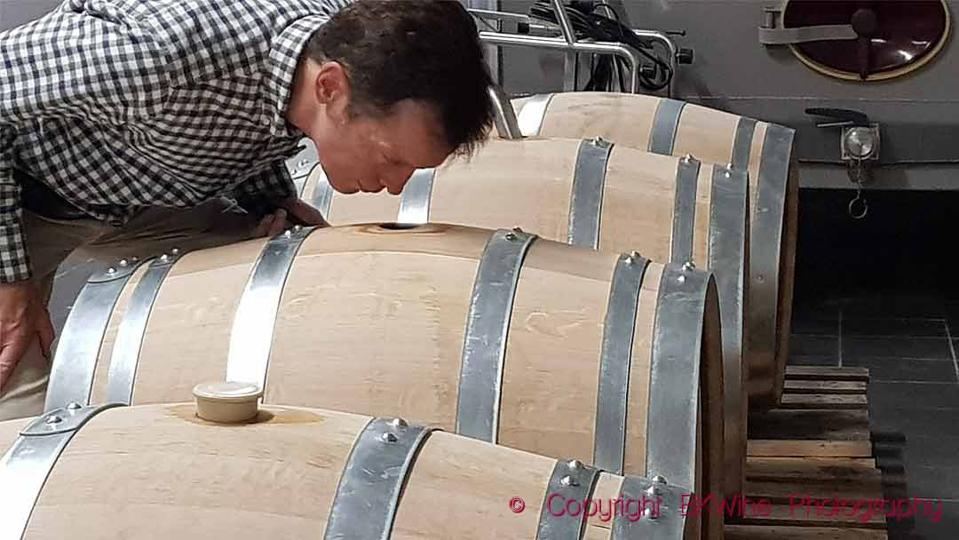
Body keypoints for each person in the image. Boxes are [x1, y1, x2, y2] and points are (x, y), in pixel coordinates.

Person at [0, 0, 494, 420]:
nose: (395, 185)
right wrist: (10, 276)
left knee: (262, 275)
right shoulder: (157, 58)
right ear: (330, 88)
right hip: (19, 194)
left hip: (138, 194)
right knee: (19, 409)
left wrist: (270, 199)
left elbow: (237, 125)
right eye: (392, 158)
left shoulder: (325, 57)